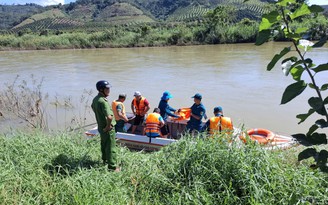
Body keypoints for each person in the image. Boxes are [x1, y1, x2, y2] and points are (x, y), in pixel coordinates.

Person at [91, 80, 120, 172]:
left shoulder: (96, 99)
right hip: (108, 128)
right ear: (101, 89)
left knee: (104, 144)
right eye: (107, 89)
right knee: (111, 147)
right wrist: (108, 126)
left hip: (100, 127)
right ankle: (113, 167)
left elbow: (93, 107)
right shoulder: (103, 101)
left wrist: (100, 117)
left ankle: (104, 161)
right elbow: (109, 117)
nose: (109, 90)